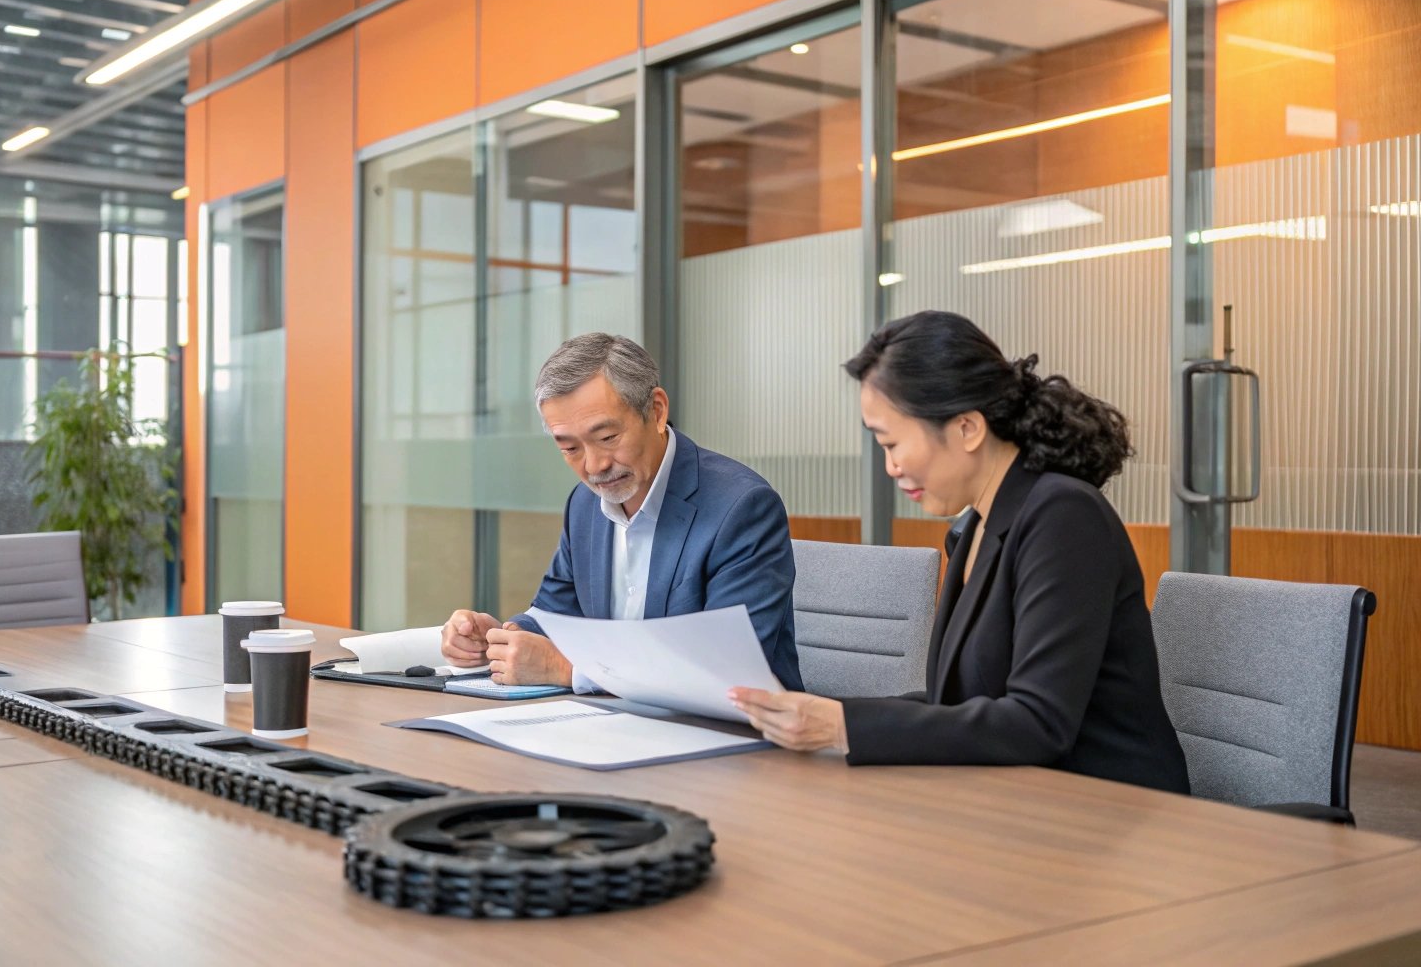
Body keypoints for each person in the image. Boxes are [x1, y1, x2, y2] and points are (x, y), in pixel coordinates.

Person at [730, 311, 1189, 794]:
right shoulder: (975, 528)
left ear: (967, 428)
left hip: (1114, 813)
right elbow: (956, 703)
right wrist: (830, 718)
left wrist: (843, 726)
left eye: (892, 443)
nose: (890, 467)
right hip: (1016, 800)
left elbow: (1037, 723)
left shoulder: (1064, 516)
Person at [440, 332, 804, 693]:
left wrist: (568, 669)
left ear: (657, 411)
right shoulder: (583, 505)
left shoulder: (741, 507)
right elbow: (556, 616)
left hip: (728, 737)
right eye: (570, 448)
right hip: (610, 726)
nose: (594, 466)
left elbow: (726, 671)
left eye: (607, 438)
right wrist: (501, 637)